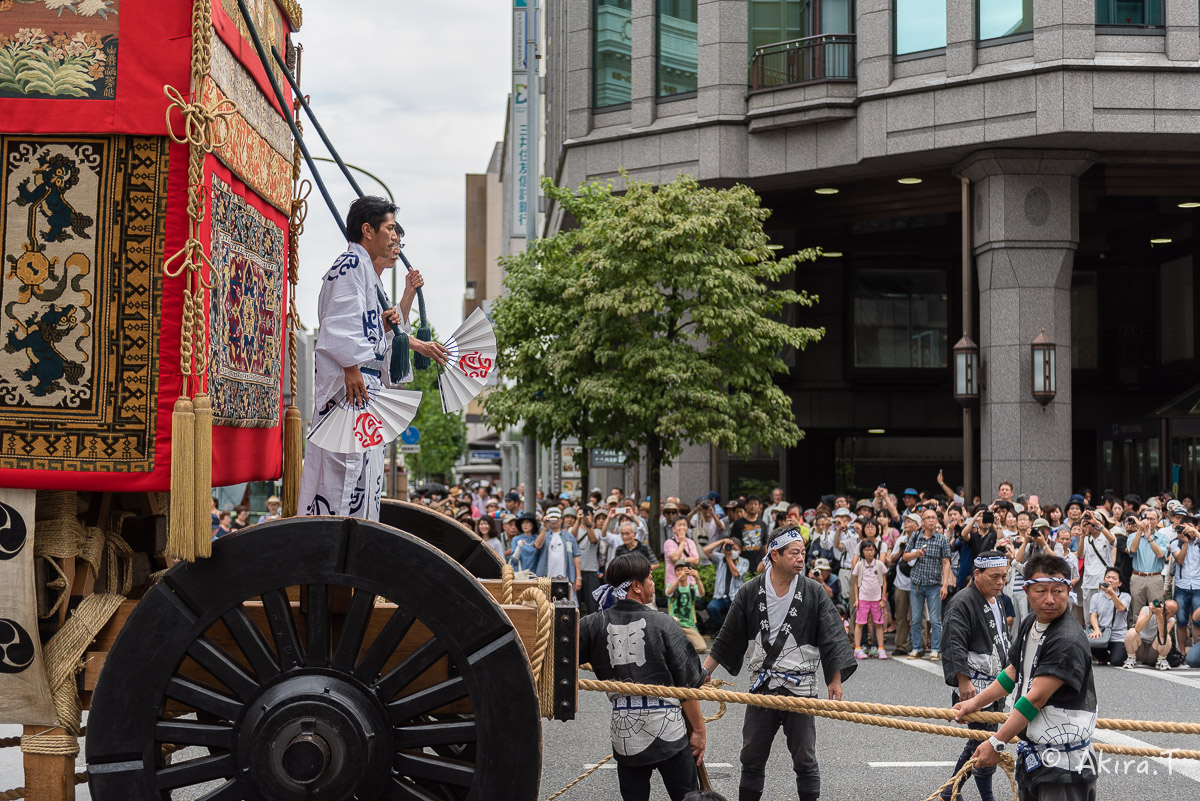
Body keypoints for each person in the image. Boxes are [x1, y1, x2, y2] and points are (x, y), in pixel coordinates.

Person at [298, 197, 448, 520]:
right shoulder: (350, 266)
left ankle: (357, 541)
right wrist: (351, 366)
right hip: (351, 385)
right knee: (344, 474)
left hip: (368, 387)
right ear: (368, 230)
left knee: (368, 474)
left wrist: (406, 297)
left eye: (397, 233)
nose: (396, 238)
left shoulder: (369, 276)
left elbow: (383, 337)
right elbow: (338, 323)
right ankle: (335, 547)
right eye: (391, 229)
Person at [703, 527, 857, 801]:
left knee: (805, 756)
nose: (801, 558)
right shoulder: (750, 591)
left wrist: (834, 679)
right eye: (794, 553)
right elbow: (728, 636)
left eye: (803, 553)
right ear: (775, 554)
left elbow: (832, 635)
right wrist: (705, 671)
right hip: (763, 686)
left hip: (801, 688)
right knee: (751, 754)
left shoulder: (813, 591)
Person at [953, 552, 1097, 801]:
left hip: (1065, 763)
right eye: (1041, 591)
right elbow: (1013, 672)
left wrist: (997, 742)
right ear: (1027, 591)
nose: (1050, 600)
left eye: (1058, 591)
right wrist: (975, 702)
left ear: (1069, 589)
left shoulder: (1067, 639)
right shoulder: (1031, 622)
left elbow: (1035, 699)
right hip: (1035, 754)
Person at [579, 553, 706, 801]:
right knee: (687, 796)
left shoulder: (594, 624)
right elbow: (687, 686)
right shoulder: (662, 623)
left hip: (625, 733)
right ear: (636, 586)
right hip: (668, 731)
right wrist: (699, 731)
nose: (653, 583)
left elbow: (560, 654)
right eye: (649, 578)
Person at [939, 551, 1011, 801]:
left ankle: (952, 790)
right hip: (976, 684)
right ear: (977, 574)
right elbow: (953, 642)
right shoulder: (962, 601)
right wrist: (963, 680)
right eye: (994, 577)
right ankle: (952, 790)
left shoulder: (996, 598)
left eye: (1004, 576)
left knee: (985, 740)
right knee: (983, 741)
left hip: (996, 681)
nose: (1000, 582)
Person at [904, 508, 953, 660]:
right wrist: (915, 553)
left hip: (934, 585)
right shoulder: (915, 537)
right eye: (928, 518)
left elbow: (946, 563)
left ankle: (936, 649)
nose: (931, 520)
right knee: (916, 618)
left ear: (937, 521)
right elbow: (905, 556)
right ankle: (917, 648)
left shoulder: (942, 539)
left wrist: (945, 585)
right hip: (917, 584)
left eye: (933, 517)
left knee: (935, 619)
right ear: (922, 522)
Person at [1125, 509, 1169, 620]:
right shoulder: (1132, 536)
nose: (1148, 521)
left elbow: (1160, 554)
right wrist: (1140, 531)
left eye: (1152, 519)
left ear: (1157, 521)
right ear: (1140, 519)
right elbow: (1132, 550)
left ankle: (1156, 636)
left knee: (1157, 610)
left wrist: (1149, 538)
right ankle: (1136, 636)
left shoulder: (1163, 538)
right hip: (1137, 577)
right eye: (1146, 518)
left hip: (1155, 577)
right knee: (1136, 611)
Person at [703, 535, 749, 634]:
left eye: (735, 549)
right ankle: (721, 630)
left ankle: (732, 633)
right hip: (719, 597)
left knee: (740, 612)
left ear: (740, 551)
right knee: (711, 608)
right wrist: (722, 541)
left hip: (735, 597)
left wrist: (728, 557)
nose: (732, 551)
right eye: (730, 548)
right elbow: (706, 550)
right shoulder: (720, 558)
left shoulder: (744, 562)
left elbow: (736, 574)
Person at [851, 539, 888, 660]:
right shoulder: (859, 565)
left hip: (877, 599)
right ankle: (857, 648)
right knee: (860, 623)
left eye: (871, 549)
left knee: (878, 623)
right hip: (863, 598)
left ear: (875, 551)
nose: (869, 552)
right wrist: (856, 599)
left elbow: (884, 582)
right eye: (866, 550)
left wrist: (883, 599)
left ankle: (880, 648)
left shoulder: (879, 564)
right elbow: (856, 583)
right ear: (862, 551)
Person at [534, 507, 582, 599]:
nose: (554, 521)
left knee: (570, 604)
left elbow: (576, 556)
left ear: (560, 519)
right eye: (551, 519)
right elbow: (537, 545)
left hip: (566, 577)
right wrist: (544, 527)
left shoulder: (569, 536)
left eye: (556, 518)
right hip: (546, 578)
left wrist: (578, 578)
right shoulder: (544, 535)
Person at [1086, 567, 1129, 667]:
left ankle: (1118, 654)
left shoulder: (1125, 596)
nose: (1110, 580)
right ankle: (1104, 656)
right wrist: (1096, 630)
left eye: (1114, 578)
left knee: (1116, 661)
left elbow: (1121, 608)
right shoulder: (1096, 597)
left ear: (1120, 583)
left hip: (1118, 635)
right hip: (1102, 633)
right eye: (1108, 577)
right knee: (1088, 640)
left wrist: (1112, 593)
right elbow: (1093, 615)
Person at [1122, 599, 1177, 671]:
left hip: (1154, 650)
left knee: (1167, 637)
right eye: (1165, 609)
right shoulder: (1146, 609)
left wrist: (1159, 616)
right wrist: (1150, 614)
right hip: (1140, 647)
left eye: (1169, 613)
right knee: (1132, 632)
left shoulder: (1171, 620)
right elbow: (1138, 628)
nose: (1166, 613)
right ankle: (1131, 658)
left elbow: (1163, 634)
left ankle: (1161, 660)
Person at [667, 561, 708, 653]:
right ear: (675, 573)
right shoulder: (672, 586)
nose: (681, 572)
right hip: (675, 624)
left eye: (683, 570)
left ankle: (681, 648)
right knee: (675, 619)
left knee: (702, 648)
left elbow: (702, 593)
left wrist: (697, 578)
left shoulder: (692, 588)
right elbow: (668, 592)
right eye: (678, 570)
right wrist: (678, 579)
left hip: (689, 625)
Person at [571, 507, 602, 614]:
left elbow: (593, 539)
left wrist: (588, 524)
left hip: (591, 570)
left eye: (587, 514)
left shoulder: (597, 531)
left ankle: (594, 629)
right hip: (575, 572)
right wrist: (578, 520)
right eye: (581, 514)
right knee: (575, 605)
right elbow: (571, 537)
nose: (584, 516)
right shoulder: (573, 528)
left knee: (593, 604)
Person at [664, 516, 700, 589]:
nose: (682, 527)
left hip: (689, 583)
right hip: (673, 583)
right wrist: (682, 542)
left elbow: (696, 560)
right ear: (673, 529)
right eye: (679, 525)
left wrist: (682, 559)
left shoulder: (691, 542)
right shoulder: (669, 543)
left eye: (684, 525)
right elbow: (674, 558)